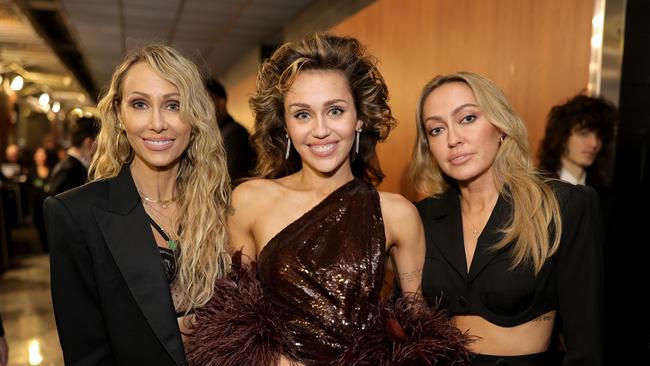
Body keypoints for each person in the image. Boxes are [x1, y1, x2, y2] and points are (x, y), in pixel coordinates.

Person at [187, 33, 470, 366]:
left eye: (335, 111)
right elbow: (231, 316)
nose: (320, 130)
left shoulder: (397, 214)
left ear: (359, 118)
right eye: (303, 114)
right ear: (286, 126)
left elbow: (415, 325)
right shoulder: (250, 201)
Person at [43, 44, 231, 365]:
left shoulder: (223, 203)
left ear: (195, 116)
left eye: (173, 105)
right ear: (119, 115)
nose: (157, 123)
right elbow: (86, 354)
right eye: (140, 104)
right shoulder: (76, 215)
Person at [409, 72, 604, 365]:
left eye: (467, 119)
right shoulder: (422, 216)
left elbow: (586, 344)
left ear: (500, 126)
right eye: (436, 129)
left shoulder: (560, 206)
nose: (453, 139)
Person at [537, 94, 617, 187]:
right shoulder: (538, 188)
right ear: (562, 137)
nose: (594, 143)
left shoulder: (605, 195)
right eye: (584, 133)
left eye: (600, 136)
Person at [205, 78, 256, 184]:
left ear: (221, 102)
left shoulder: (234, 134)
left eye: (207, 101)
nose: (204, 109)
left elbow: (225, 179)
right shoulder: (221, 134)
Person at [47, 116, 99, 196]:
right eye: (98, 143)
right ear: (88, 142)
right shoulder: (70, 170)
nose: (99, 148)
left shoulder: (72, 166)